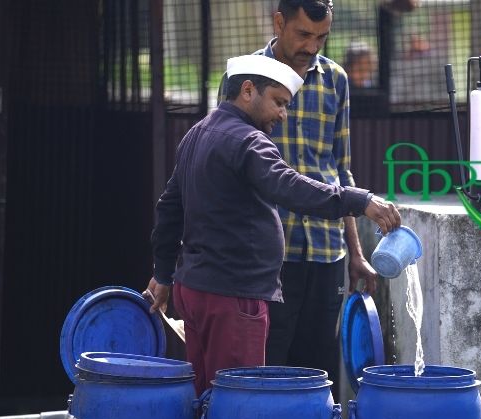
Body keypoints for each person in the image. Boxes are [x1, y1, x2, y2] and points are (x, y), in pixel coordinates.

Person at [145, 54, 401, 396]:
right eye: (279, 103)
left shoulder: (197, 134)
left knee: (205, 397)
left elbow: (168, 211)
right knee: (238, 401)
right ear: (248, 91)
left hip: (194, 291)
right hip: (234, 297)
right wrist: (359, 201)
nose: (283, 114)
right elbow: (290, 187)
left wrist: (163, 274)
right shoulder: (248, 141)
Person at [248, 0, 380, 398]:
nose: (312, 46)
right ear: (278, 22)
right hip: (270, 253)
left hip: (327, 251)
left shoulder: (336, 80)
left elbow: (341, 170)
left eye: (321, 37)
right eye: (303, 34)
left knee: (319, 372)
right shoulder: (247, 78)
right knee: (269, 368)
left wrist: (356, 253)